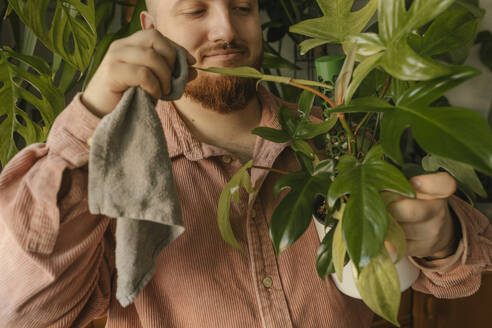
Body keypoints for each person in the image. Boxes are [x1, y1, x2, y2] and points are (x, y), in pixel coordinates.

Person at [0, 0, 491, 327]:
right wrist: (91, 119)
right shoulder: (113, 169)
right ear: (152, 30)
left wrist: (443, 233)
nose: (226, 30)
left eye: (243, 7)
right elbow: (27, 311)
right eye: (194, 9)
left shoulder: (334, 132)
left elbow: (461, 268)